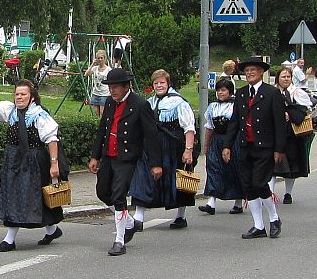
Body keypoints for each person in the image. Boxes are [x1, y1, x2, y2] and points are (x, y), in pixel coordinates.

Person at [0, 77, 68, 251]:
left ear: (32, 97)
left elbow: (52, 140)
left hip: (34, 161)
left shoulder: (39, 115)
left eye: (23, 94)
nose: (19, 97)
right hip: (13, 161)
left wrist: (54, 164)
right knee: (14, 196)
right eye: (17, 94)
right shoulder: (10, 111)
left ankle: (10, 240)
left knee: (33, 198)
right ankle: (52, 230)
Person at [88, 68, 162, 256]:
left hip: (127, 158)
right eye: (110, 87)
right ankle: (131, 223)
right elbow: (102, 130)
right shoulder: (109, 103)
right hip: (108, 155)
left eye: (115, 87)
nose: (112, 91)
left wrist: (156, 164)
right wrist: (95, 156)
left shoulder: (140, 105)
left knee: (119, 195)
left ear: (126, 86)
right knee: (103, 192)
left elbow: (151, 136)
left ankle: (119, 241)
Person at [222, 56, 287, 239]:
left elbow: (280, 124)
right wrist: (227, 145)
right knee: (248, 186)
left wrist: (279, 149)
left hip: (265, 146)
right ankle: (258, 225)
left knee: (260, 183)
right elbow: (235, 122)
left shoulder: (272, 93)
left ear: (261, 72)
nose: (249, 73)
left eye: (253, 70)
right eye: (247, 70)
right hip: (245, 146)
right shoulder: (242, 94)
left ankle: (274, 218)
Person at [128, 69, 197, 229]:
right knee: (144, 176)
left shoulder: (180, 102)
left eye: (162, 82)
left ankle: (181, 215)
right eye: (156, 83)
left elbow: (189, 128)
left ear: (168, 83)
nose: (159, 85)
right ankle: (139, 217)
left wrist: (188, 150)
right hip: (152, 147)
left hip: (173, 146)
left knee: (179, 180)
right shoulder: (149, 103)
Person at [198, 78, 244, 215]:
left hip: (232, 141)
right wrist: (205, 146)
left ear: (230, 91)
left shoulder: (236, 105)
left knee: (234, 169)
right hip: (216, 140)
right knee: (213, 168)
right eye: (218, 90)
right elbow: (209, 127)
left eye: (223, 90)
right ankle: (211, 202)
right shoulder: (213, 106)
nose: (220, 93)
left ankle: (238, 202)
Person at [270, 67, 314, 205]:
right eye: (283, 77)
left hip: (292, 134)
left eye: (288, 77)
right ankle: (270, 193)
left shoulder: (296, 92)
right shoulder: (271, 92)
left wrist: (290, 114)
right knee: (272, 165)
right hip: (274, 132)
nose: (286, 79)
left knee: (292, 165)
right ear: (278, 78)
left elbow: (304, 110)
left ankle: (288, 193)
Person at [85, 49, 112, 117]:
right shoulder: (95, 68)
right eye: (98, 58)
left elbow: (112, 80)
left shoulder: (108, 69)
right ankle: (96, 126)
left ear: (104, 59)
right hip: (96, 93)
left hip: (104, 93)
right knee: (96, 113)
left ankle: (103, 126)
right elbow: (86, 74)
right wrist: (92, 64)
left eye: (101, 58)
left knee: (102, 113)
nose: (100, 59)